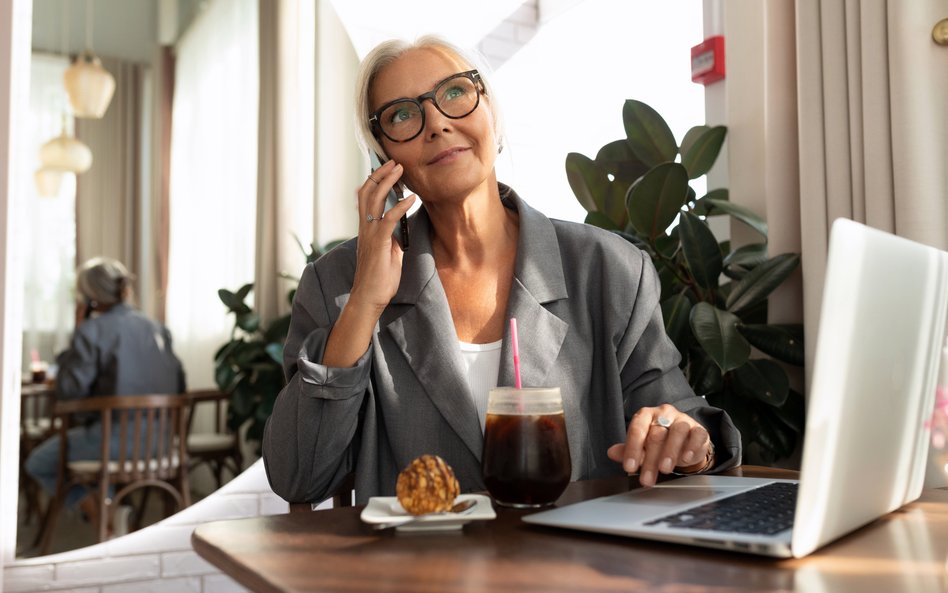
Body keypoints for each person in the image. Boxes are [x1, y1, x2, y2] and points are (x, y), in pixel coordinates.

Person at [263, 36, 741, 504]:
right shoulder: (336, 283)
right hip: (416, 574)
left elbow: (677, 421)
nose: (436, 124)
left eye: (454, 92)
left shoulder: (609, 269)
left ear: (490, 110)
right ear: (384, 155)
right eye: (402, 114)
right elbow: (300, 476)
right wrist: (364, 303)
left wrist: (683, 441)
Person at [25, 257, 186, 521]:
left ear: (90, 298)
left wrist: (78, 332)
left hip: (114, 445)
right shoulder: (158, 328)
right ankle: (112, 511)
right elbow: (180, 384)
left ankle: (107, 518)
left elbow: (68, 391)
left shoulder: (91, 330)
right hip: (164, 443)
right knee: (97, 442)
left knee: (38, 462)